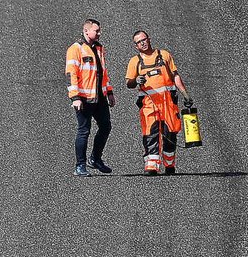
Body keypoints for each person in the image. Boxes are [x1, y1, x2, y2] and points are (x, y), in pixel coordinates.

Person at [125, 30, 191, 174]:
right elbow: (128, 83)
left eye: (144, 39)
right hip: (148, 103)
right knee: (150, 133)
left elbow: (175, 76)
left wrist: (185, 94)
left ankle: (169, 164)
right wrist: (136, 81)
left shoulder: (164, 55)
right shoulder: (135, 61)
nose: (142, 43)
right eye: (139, 42)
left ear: (149, 39)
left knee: (171, 132)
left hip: (168, 102)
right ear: (135, 46)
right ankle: (151, 166)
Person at [68, 19, 115, 176]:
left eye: (99, 30)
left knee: (106, 126)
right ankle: (80, 166)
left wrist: (109, 92)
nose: (99, 33)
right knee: (84, 130)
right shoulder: (76, 49)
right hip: (83, 98)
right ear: (86, 31)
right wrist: (75, 97)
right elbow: (71, 74)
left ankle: (95, 159)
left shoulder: (99, 48)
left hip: (99, 97)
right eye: (97, 30)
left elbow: (103, 72)